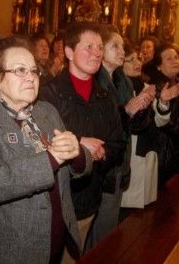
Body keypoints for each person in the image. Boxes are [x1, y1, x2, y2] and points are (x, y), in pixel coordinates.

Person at [0, 36, 91, 263]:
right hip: (8, 250)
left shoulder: (47, 112)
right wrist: (52, 158)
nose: (30, 77)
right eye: (20, 70)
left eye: (33, 70)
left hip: (55, 245)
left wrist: (77, 152)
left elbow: (77, 166)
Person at [39, 22, 125, 254]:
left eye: (99, 47)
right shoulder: (47, 94)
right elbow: (38, 139)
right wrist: (79, 143)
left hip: (89, 196)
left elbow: (118, 142)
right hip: (56, 199)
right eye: (89, 47)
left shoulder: (105, 97)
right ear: (68, 52)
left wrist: (103, 152)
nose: (96, 52)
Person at [93, 30, 156, 247]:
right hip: (102, 164)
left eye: (122, 47)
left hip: (120, 161)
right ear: (101, 50)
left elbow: (135, 127)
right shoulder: (94, 79)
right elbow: (99, 125)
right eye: (115, 47)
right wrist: (127, 111)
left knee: (109, 229)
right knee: (99, 232)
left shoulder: (123, 81)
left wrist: (142, 108)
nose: (122, 51)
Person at [119, 43, 179, 214]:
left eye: (138, 57)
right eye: (130, 60)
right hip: (131, 155)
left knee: (144, 215)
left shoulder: (147, 87)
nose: (137, 62)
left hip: (148, 152)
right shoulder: (119, 89)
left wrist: (164, 102)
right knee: (126, 213)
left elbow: (160, 122)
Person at [149, 44, 179, 185]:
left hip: (177, 145)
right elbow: (168, 121)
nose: (175, 61)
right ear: (158, 66)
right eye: (169, 59)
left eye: (176, 57)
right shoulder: (157, 85)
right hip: (164, 146)